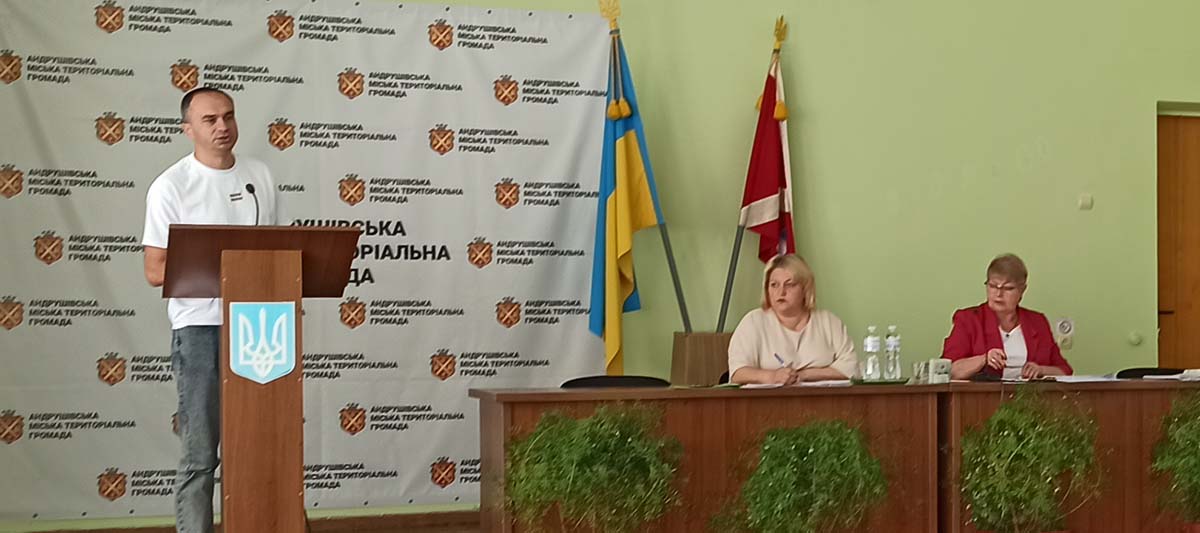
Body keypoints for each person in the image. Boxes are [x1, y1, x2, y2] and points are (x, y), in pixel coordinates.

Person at [142, 87, 277, 533]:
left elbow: (276, 254)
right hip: (200, 328)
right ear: (188, 129)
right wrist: (221, 266)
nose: (223, 126)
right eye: (210, 120)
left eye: (228, 116)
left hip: (260, 326)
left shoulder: (259, 176)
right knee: (201, 454)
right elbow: (154, 270)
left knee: (260, 448)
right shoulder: (171, 185)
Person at [728, 254, 858, 385]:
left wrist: (805, 375)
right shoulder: (753, 322)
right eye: (774, 285)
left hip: (823, 397)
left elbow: (852, 368)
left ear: (805, 289)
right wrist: (772, 376)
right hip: (768, 398)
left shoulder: (828, 322)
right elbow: (737, 373)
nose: (781, 292)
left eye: (789, 285)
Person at [941, 253, 1073, 380]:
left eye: (1008, 288)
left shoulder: (1037, 322)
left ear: (1022, 290)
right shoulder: (968, 320)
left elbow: (1064, 371)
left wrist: (1041, 370)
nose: (998, 294)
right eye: (993, 286)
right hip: (982, 395)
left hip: (1029, 395)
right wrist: (983, 359)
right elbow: (948, 370)